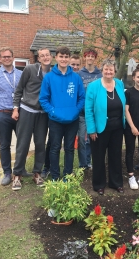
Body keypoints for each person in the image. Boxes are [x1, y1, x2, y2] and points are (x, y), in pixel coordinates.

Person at [39, 46, 85, 180]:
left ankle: (67, 175)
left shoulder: (76, 78)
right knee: (55, 148)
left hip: (72, 120)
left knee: (70, 149)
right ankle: (54, 176)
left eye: (66, 57)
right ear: (56, 57)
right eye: (61, 56)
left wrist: (76, 111)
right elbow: (43, 99)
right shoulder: (49, 77)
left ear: (69, 58)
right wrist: (52, 111)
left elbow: (81, 97)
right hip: (55, 120)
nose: (64, 59)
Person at [10, 48, 52, 190]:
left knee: (40, 143)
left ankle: (37, 173)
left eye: (47, 55)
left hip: (43, 113)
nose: (45, 57)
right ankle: (17, 175)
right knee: (23, 144)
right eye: (42, 56)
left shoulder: (54, 73)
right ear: (38, 58)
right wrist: (16, 108)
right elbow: (19, 89)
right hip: (27, 110)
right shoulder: (29, 69)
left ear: (51, 57)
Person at [0, 47, 26, 186]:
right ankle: (7, 173)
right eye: (4, 57)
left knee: (22, 143)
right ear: (0, 59)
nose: (7, 59)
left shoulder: (21, 74)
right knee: (4, 145)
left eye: (9, 56)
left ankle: (20, 169)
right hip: (3, 114)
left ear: (13, 58)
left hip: (20, 114)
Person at [85, 59, 126, 195]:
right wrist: (91, 129)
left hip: (117, 128)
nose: (108, 72)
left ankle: (116, 183)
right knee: (98, 157)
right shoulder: (93, 86)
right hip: (99, 129)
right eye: (106, 69)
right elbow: (89, 109)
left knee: (115, 156)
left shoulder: (119, 84)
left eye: (111, 69)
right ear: (102, 71)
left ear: (114, 71)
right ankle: (99, 184)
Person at [77, 48, 102, 169]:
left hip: (96, 112)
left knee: (94, 138)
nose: (90, 58)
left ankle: (92, 161)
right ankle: (83, 164)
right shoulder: (79, 74)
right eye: (88, 56)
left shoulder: (100, 74)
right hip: (82, 112)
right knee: (82, 139)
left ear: (95, 58)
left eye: (92, 56)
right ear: (85, 57)